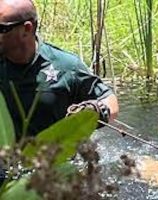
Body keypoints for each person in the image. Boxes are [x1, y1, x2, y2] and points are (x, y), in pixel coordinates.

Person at [0, 0, 119, 140]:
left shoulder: (66, 66)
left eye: (1, 29)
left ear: (27, 28)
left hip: (54, 157)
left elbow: (109, 100)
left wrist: (96, 111)